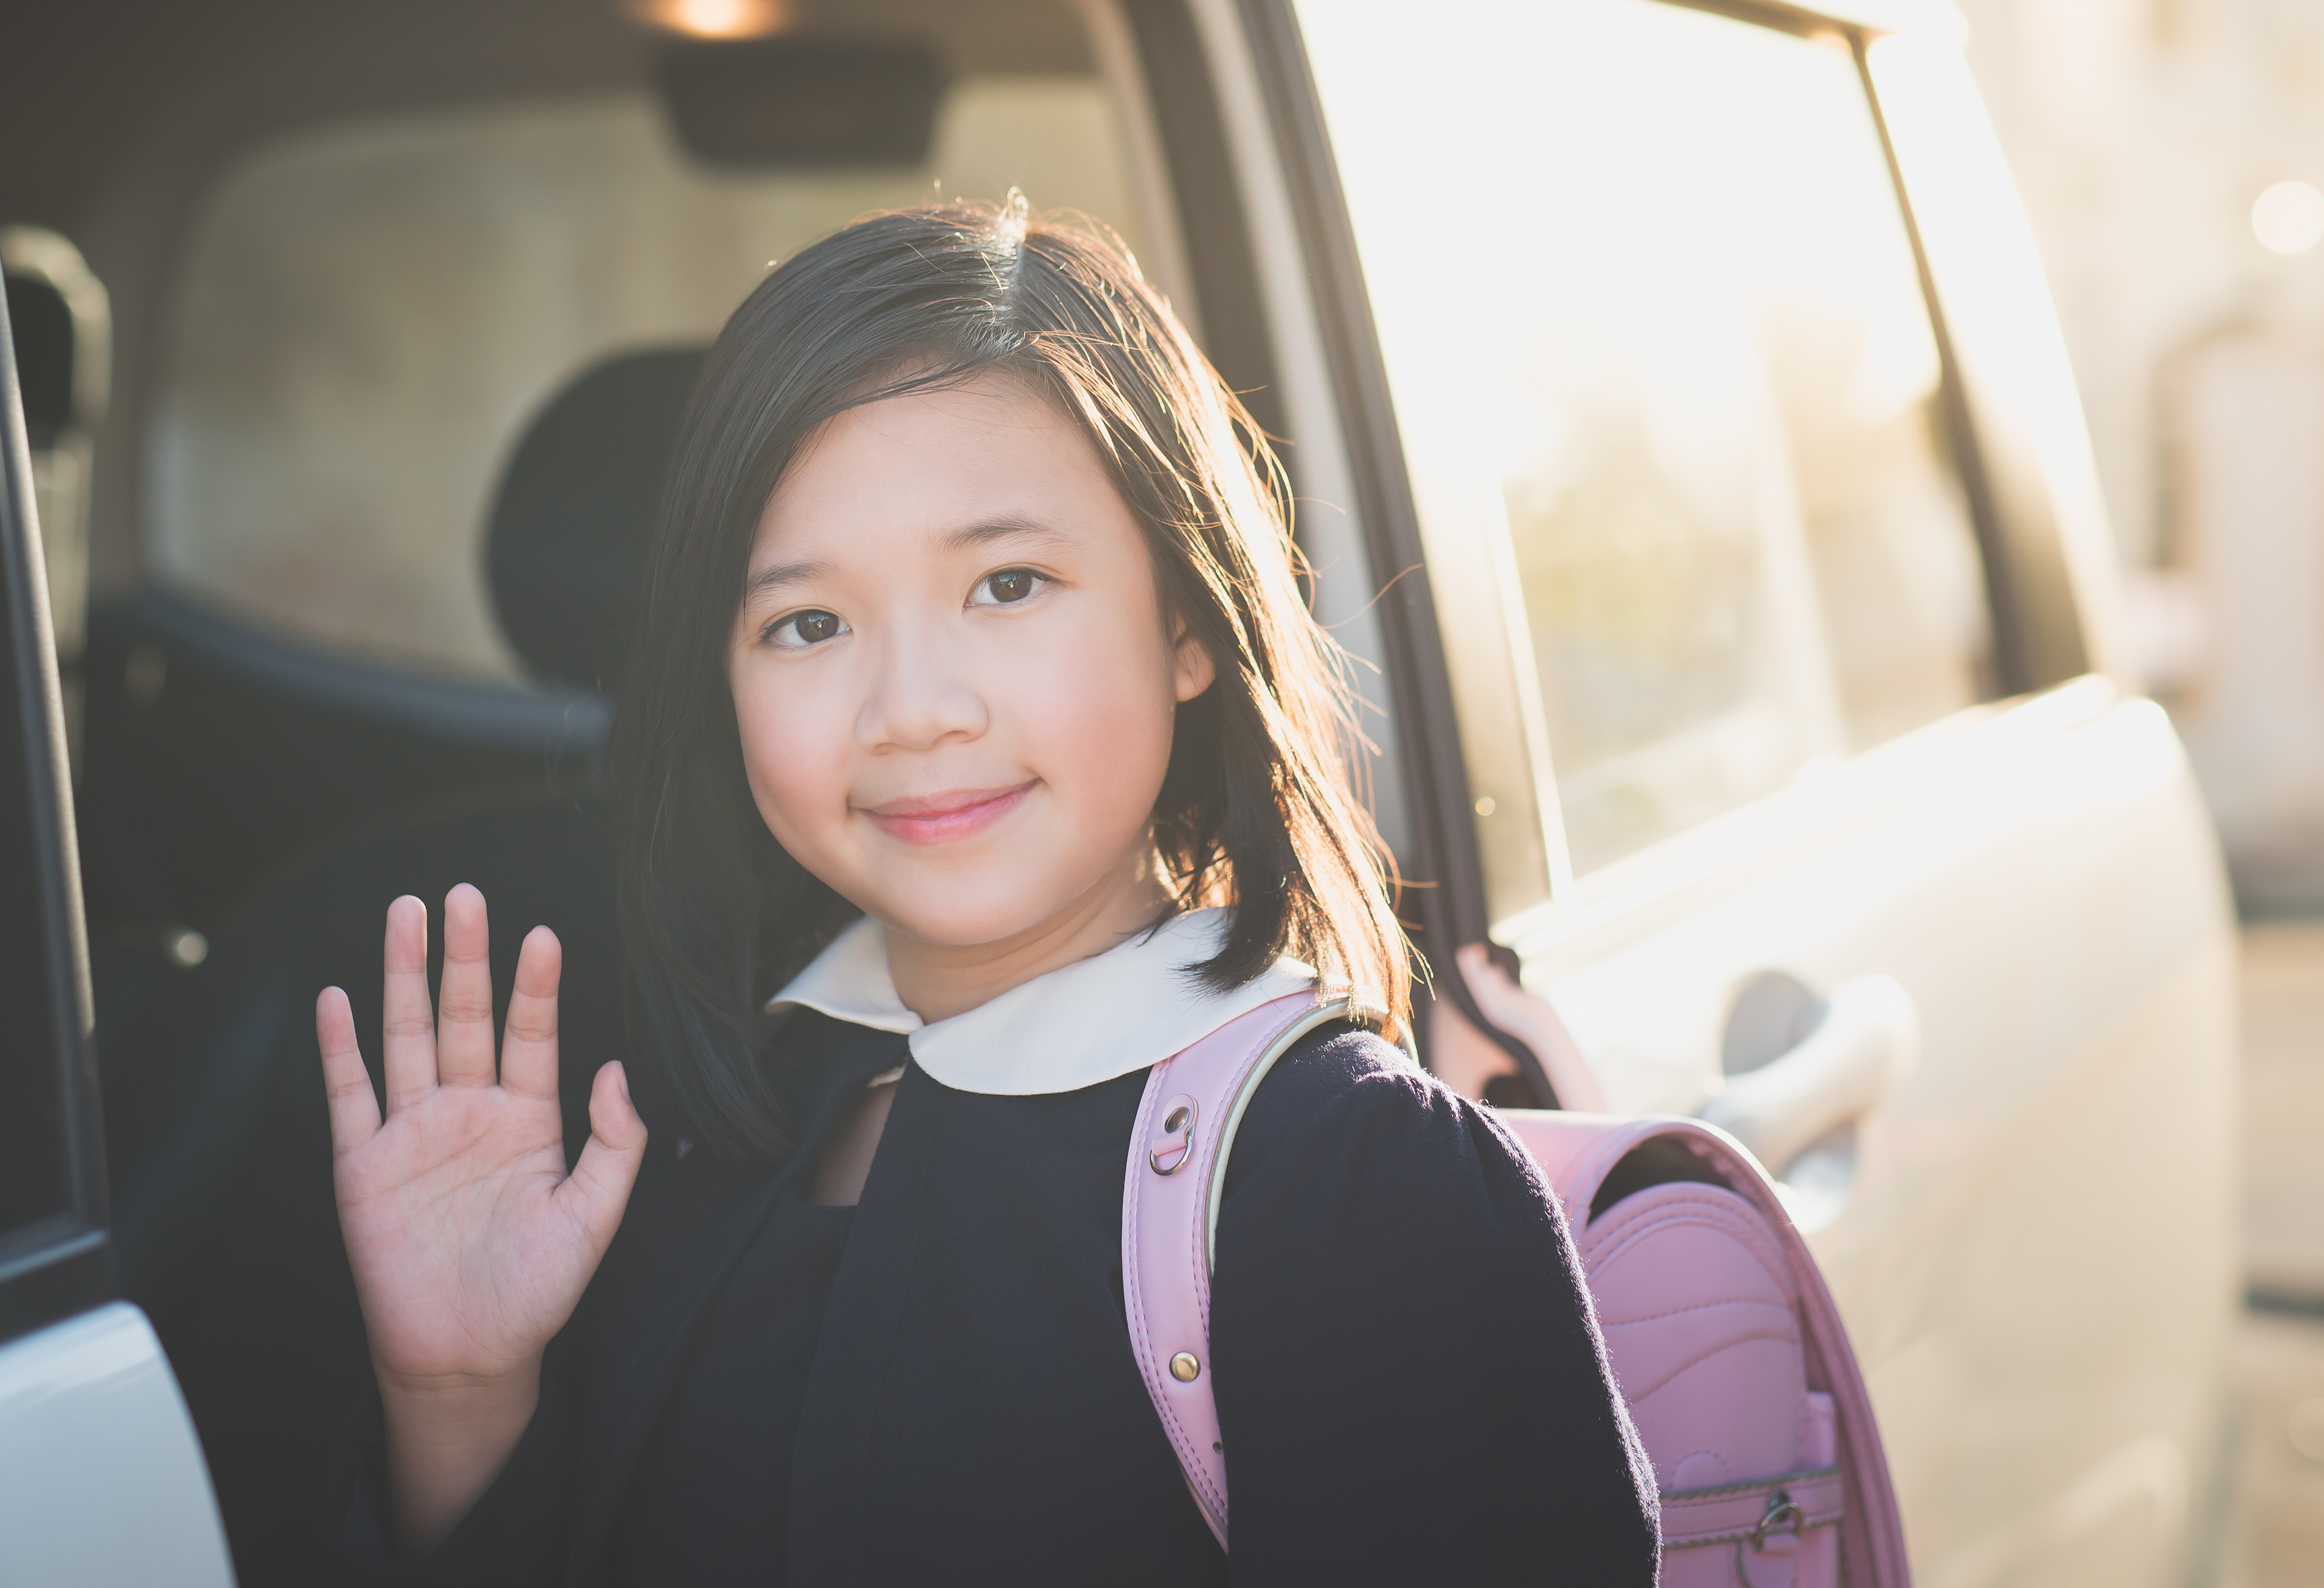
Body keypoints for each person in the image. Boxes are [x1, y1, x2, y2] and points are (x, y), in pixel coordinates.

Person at [313, 201, 1660, 1584]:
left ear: (1184, 620)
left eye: (1007, 584)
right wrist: (459, 1396)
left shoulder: (1355, 1184)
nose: (912, 709)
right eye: (808, 624)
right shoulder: (706, 1117)